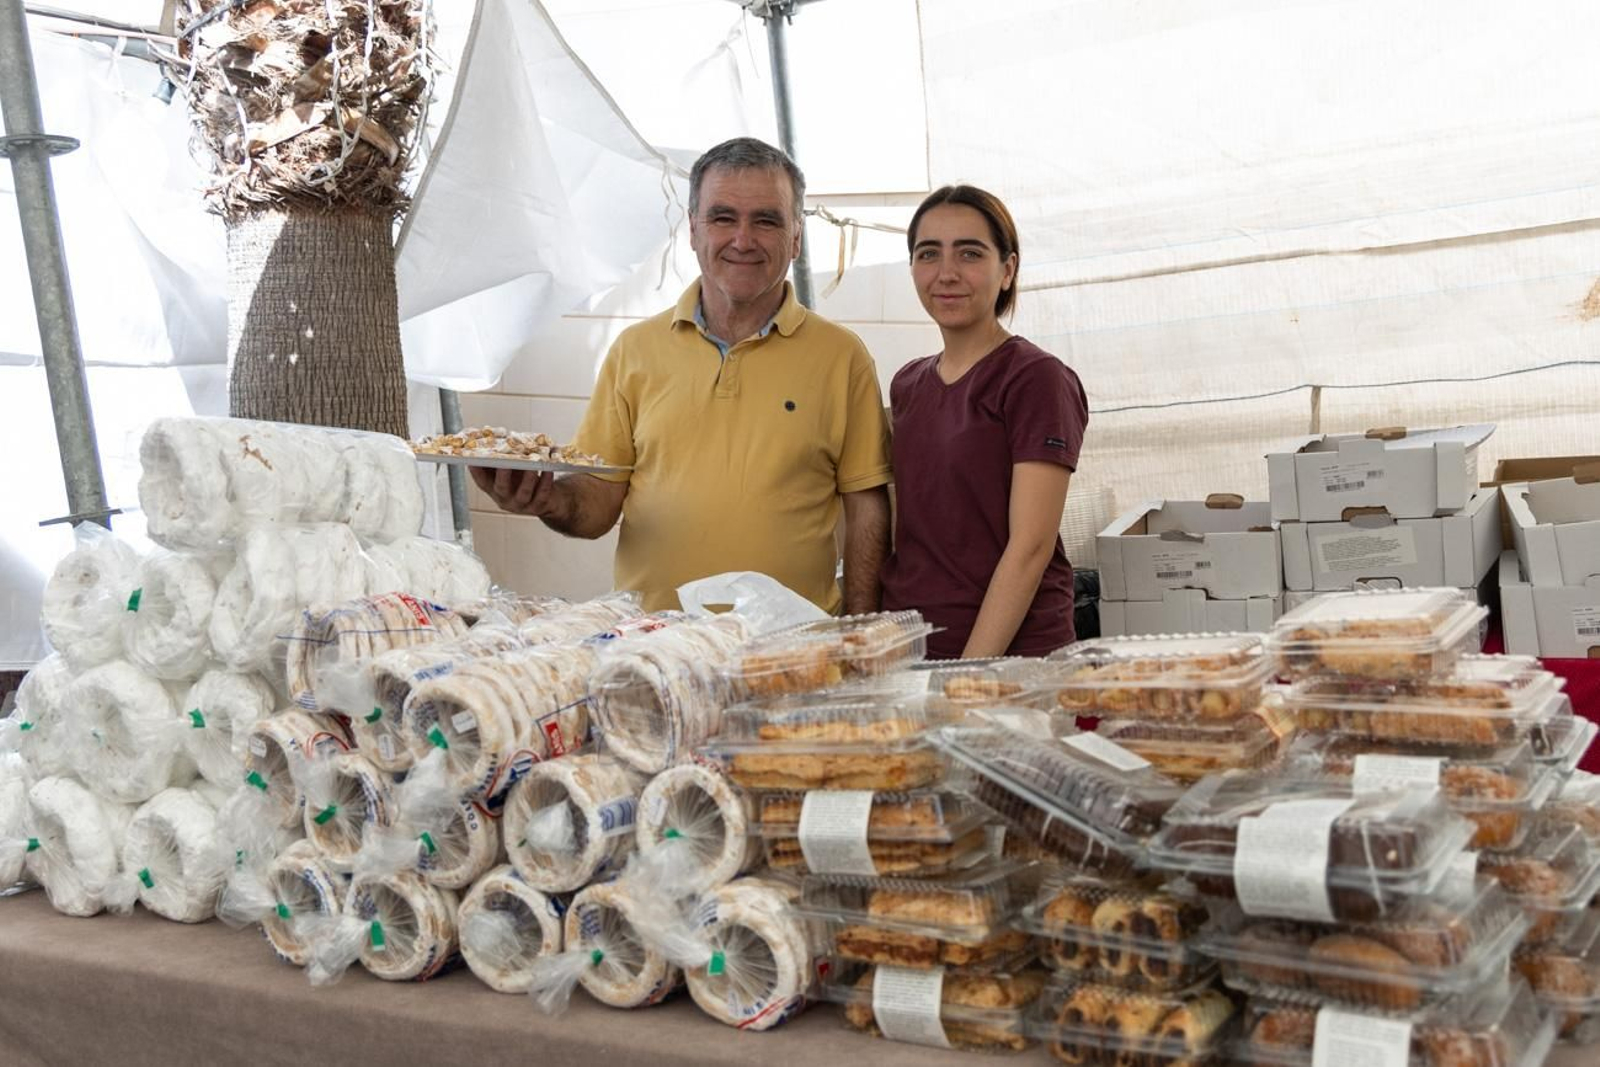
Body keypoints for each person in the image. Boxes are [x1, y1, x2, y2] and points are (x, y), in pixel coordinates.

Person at [471, 137, 893, 614]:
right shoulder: (635, 351)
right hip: (654, 646)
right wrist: (542, 497)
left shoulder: (841, 357)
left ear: (796, 237)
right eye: (723, 217)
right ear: (693, 230)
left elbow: (867, 509)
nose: (743, 239)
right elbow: (599, 502)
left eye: (767, 220)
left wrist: (860, 631)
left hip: (791, 651)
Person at [880, 185, 1089, 658]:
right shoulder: (908, 384)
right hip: (912, 649)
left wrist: (971, 672)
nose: (947, 273)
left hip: (1009, 659)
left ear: (1008, 269)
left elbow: (1030, 548)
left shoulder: (1034, 378)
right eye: (928, 254)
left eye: (970, 253)